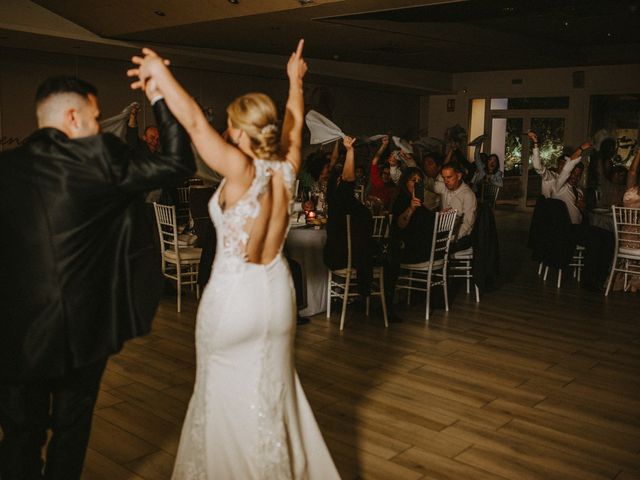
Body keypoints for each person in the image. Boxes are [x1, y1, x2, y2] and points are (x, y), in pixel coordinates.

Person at [128, 40, 340, 479]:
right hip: (276, 294)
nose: (224, 132)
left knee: (222, 394)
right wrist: (295, 80)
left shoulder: (241, 171)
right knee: (271, 392)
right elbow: (296, 124)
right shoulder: (287, 167)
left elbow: (190, 121)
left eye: (229, 125)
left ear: (242, 131)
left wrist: (159, 75)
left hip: (234, 298)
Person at [0, 76, 195, 479]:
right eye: (95, 115)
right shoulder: (102, 163)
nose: (100, 124)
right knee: (71, 433)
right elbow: (179, 164)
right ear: (73, 116)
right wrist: (157, 94)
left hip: (10, 332)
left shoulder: (5, 168)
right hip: (83, 331)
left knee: (20, 436)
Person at [324, 135, 375, 299]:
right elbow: (348, 178)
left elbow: (336, 169)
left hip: (333, 255)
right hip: (348, 257)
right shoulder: (344, 200)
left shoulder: (332, 198)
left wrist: (339, 145)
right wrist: (350, 151)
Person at [434, 162, 477, 251]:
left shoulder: (468, 195)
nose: (446, 181)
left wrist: (451, 238)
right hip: (444, 233)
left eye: (449, 177)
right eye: (444, 178)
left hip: (461, 237)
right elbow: (428, 183)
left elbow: (468, 223)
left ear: (459, 176)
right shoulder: (444, 188)